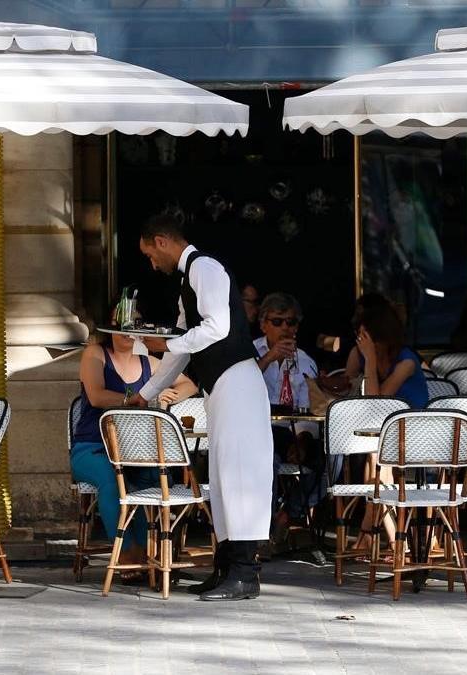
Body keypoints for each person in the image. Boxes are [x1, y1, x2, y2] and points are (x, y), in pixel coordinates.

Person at [130, 213, 273, 601]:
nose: (150, 262)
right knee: (223, 475)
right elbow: (183, 348)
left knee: (239, 473)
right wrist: (146, 392)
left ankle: (245, 573)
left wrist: (167, 345)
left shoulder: (205, 267)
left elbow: (217, 328)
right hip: (220, 385)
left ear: (161, 241)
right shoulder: (186, 283)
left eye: (148, 253)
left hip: (238, 381)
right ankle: (227, 566)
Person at [70, 321, 196, 580]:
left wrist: (167, 396)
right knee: (112, 478)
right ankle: (127, 553)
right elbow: (96, 396)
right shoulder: (95, 353)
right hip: (92, 447)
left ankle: (155, 553)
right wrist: (138, 398)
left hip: (132, 451)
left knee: (153, 479)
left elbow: (189, 385)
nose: (128, 332)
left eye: (135, 325)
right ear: (111, 329)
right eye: (122, 325)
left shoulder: (150, 362)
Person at [253, 292, 323, 533]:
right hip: (260, 429)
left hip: (292, 429)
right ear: (263, 324)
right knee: (266, 461)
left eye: (291, 322)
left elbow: (311, 408)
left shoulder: (306, 361)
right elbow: (241, 384)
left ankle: (290, 514)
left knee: (327, 457)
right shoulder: (250, 353)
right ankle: (264, 528)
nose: (285, 327)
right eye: (277, 321)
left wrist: (303, 439)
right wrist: (270, 357)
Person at [355, 301, 428, 408]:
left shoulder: (406, 363)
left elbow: (375, 403)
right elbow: (347, 385)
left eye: (365, 336)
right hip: (386, 421)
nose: (361, 341)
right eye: (359, 335)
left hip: (412, 422)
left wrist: (369, 358)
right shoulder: (360, 354)